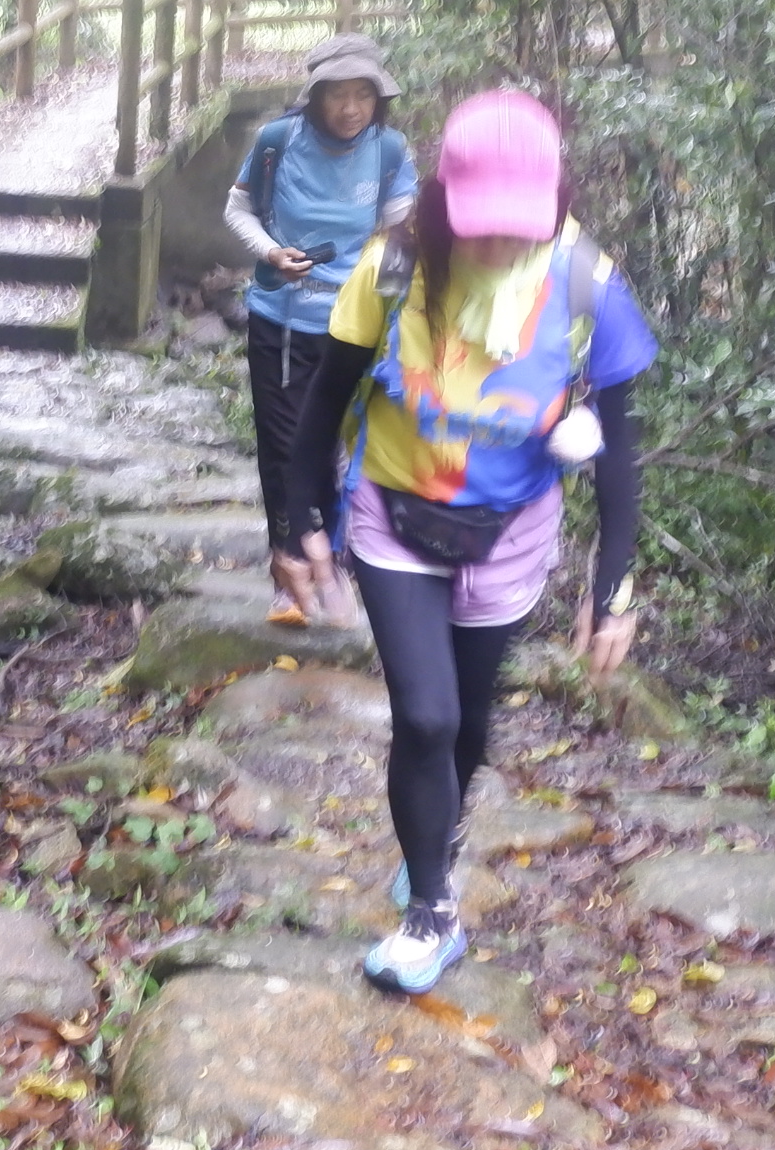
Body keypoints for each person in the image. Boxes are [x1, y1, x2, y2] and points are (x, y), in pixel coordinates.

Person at [270, 88, 653, 997]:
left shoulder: (586, 285)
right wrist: (299, 520)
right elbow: (324, 398)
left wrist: (613, 588)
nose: (500, 246)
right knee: (427, 717)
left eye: (520, 227)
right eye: (483, 226)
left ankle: (431, 844)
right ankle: (432, 915)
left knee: (470, 725)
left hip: (510, 532)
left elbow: (620, 449)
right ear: (446, 201)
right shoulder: (395, 266)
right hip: (394, 514)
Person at [223, 34, 418, 569]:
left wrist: (394, 316)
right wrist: (272, 251)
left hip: (355, 329)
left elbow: (399, 240)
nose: (351, 108)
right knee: (283, 447)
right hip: (283, 320)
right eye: (337, 94)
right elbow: (238, 209)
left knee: (343, 444)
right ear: (314, 96)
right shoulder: (278, 141)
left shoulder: (390, 152)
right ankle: (288, 562)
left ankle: (333, 557)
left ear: (379, 98)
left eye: (363, 94)